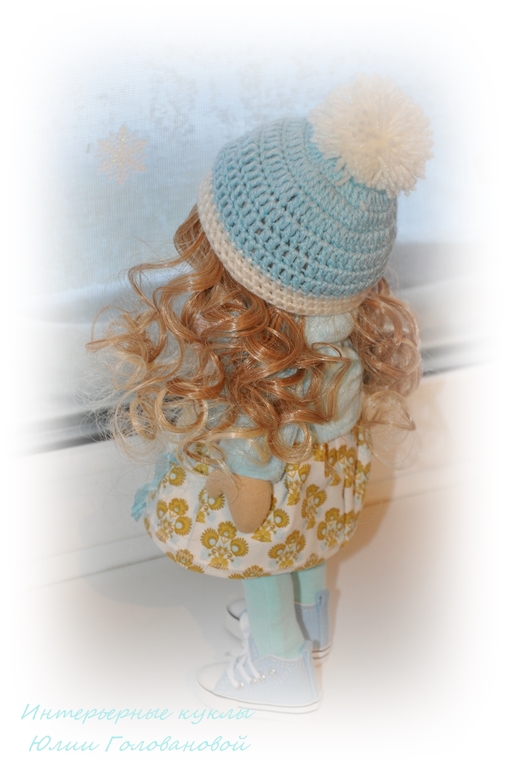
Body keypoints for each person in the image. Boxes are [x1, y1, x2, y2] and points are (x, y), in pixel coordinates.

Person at [89, 74, 432, 715]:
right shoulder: (339, 347)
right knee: (298, 536)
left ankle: (279, 659)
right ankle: (313, 622)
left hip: (269, 519)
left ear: (244, 269)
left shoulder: (254, 381)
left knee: (264, 552)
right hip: (324, 509)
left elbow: (250, 517)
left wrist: (218, 480)